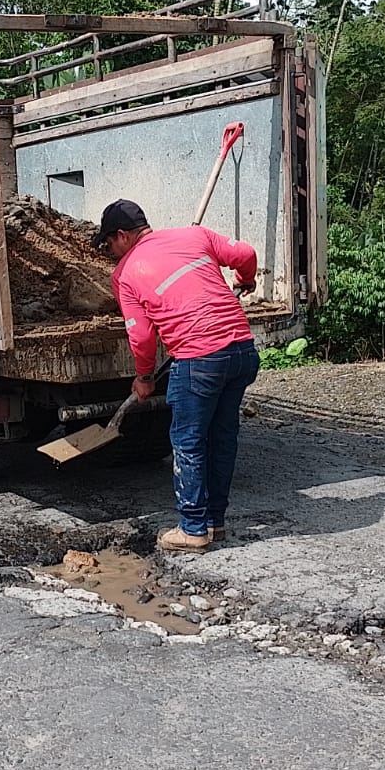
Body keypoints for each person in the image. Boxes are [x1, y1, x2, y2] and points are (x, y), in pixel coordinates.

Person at [92, 198, 260, 553]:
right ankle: (215, 521)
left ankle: (193, 528)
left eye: (108, 243)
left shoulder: (125, 274)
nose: (110, 251)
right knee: (222, 436)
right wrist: (245, 279)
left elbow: (141, 337)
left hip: (199, 359)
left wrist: (144, 377)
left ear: (122, 235)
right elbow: (245, 253)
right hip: (242, 351)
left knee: (188, 441)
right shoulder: (193, 235)